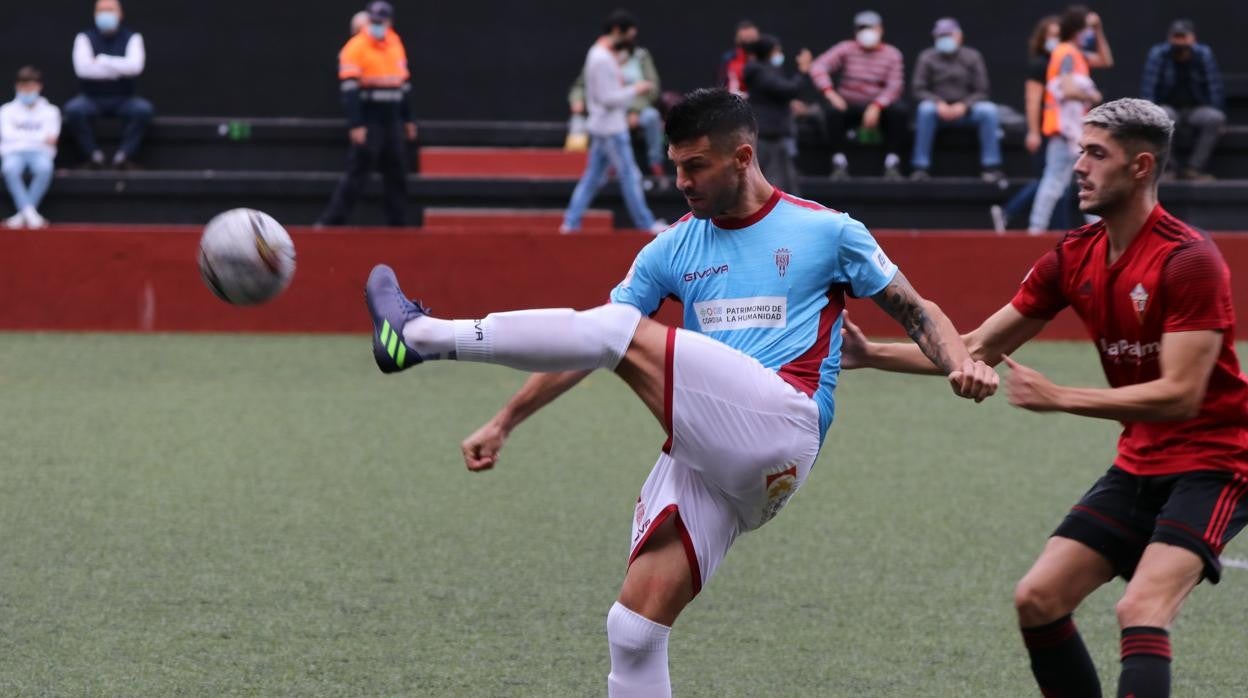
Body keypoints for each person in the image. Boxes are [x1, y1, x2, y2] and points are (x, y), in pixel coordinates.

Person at [364, 88, 998, 696]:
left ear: (743, 156)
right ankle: (422, 338)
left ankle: (420, 334)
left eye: (697, 166)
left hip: (782, 424)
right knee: (633, 630)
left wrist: (960, 363)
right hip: (710, 454)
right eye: (675, 168)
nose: (683, 182)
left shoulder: (828, 231)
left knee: (619, 327)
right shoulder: (672, 246)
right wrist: (506, 421)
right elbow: (587, 342)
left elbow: (918, 311)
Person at [841, 98, 1248, 698]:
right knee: (1038, 599)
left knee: (1141, 609)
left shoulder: (1189, 260)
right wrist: (873, 355)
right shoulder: (1073, 255)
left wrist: (1060, 397)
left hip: (1215, 462)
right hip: (1141, 460)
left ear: (1139, 167)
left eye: (1094, 153)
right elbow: (974, 345)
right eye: (1078, 150)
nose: (1078, 165)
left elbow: (1183, 396)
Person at [560, 10, 664, 234]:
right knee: (629, 176)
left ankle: (570, 223)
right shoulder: (602, 58)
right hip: (611, 128)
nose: (631, 41)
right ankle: (645, 223)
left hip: (603, 126)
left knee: (592, 178)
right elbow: (608, 98)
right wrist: (635, 89)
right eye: (629, 35)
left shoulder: (599, 55)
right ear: (617, 31)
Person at [318, 1, 418, 227]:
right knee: (357, 174)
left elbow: (404, 86)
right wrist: (356, 124)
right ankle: (331, 223)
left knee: (397, 174)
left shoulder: (395, 44)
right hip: (370, 121)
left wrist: (409, 119)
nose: (377, 25)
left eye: (381, 21)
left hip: (392, 120)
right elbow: (349, 91)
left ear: (389, 22)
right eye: (374, 21)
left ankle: (399, 225)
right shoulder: (356, 47)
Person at [1028, 5, 1102, 234]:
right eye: (1087, 29)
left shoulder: (1076, 53)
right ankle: (1035, 230)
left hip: (1075, 130)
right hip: (1064, 129)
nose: (1089, 34)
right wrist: (1092, 94)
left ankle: (1099, 228)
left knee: (1088, 179)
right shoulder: (1066, 54)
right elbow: (1067, 89)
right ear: (1077, 29)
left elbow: (1105, 59)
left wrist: (1098, 29)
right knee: (1053, 182)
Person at [809, 10, 907, 180]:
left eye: (870, 27)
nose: (866, 32)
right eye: (862, 28)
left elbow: (895, 86)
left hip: (879, 108)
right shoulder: (846, 49)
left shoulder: (892, 54)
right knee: (831, 112)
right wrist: (830, 92)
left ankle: (892, 162)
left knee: (900, 111)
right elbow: (818, 67)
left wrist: (877, 105)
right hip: (849, 104)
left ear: (880, 30)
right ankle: (839, 162)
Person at [908, 18, 1003, 183]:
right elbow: (918, 89)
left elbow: (982, 90)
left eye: (948, 35)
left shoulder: (973, 56)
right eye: (941, 36)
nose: (944, 39)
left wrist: (964, 105)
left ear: (959, 36)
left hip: (966, 111)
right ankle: (920, 167)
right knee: (925, 109)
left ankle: (991, 167)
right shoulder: (927, 57)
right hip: (938, 111)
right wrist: (938, 103)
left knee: (989, 111)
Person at [64, 0, 152, 169]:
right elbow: (84, 70)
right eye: (101, 10)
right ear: (95, 14)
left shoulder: (133, 37)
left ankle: (123, 156)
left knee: (143, 110)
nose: (105, 14)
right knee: (74, 110)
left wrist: (102, 60)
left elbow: (135, 67)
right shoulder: (84, 38)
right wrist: (119, 68)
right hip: (92, 99)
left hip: (124, 99)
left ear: (120, 14)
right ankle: (93, 156)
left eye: (110, 10)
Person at [569, 41, 667, 186]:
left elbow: (652, 89)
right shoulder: (601, 61)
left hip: (626, 117)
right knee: (608, 173)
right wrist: (577, 100)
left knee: (651, 117)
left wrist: (635, 110)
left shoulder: (640, 57)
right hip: (609, 121)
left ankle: (655, 165)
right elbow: (603, 96)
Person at [1141, 19, 1226, 181]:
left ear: (1192, 38)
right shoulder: (1159, 54)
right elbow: (1149, 88)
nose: (1179, 41)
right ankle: (1169, 169)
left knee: (1216, 118)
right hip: (1169, 107)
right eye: (1176, 36)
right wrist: (1148, 115)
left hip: (1196, 109)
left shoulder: (1203, 55)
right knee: (1161, 116)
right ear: (1169, 38)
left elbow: (1214, 86)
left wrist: (1219, 111)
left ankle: (1193, 168)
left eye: (1183, 36)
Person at [743, 34, 812, 195]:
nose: (779, 54)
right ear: (768, 52)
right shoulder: (760, 72)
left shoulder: (766, 71)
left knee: (787, 182)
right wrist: (803, 71)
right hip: (767, 136)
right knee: (773, 181)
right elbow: (788, 90)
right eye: (777, 51)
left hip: (776, 135)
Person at [1, 67, 60, 229]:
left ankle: (23, 214)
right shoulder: (6, 111)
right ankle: (30, 213)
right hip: (14, 153)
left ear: (39, 87)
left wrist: (23, 138)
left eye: (31, 87)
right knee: (10, 169)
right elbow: (7, 135)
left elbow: (52, 138)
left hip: (40, 153)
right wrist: (40, 138)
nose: (27, 91)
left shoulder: (51, 111)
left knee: (44, 168)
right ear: (17, 87)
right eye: (24, 87)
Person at [718, 20, 759, 96]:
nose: (749, 42)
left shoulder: (766, 58)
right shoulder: (729, 59)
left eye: (752, 38)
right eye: (745, 39)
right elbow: (722, 85)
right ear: (737, 39)